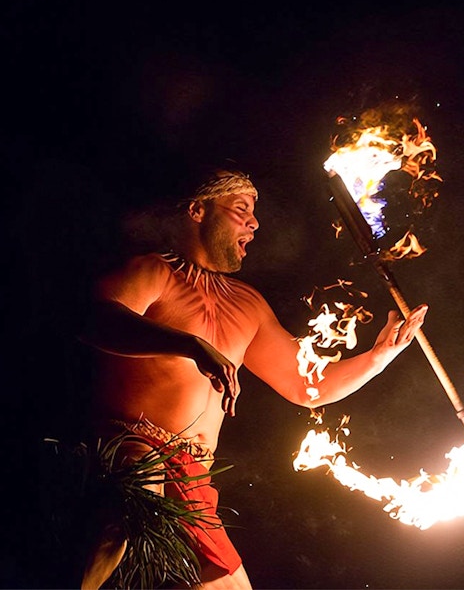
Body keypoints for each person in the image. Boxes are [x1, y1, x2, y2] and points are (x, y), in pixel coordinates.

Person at [78, 164, 428, 590]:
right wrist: (190, 344)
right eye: (240, 208)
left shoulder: (248, 304)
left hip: (194, 479)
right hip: (129, 447)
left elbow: (306, 388)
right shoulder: (154, 272)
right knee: (127, 511)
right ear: (197, 210)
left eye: (254, 212)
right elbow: (93, 319)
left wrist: (380, 355)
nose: (254, 222)